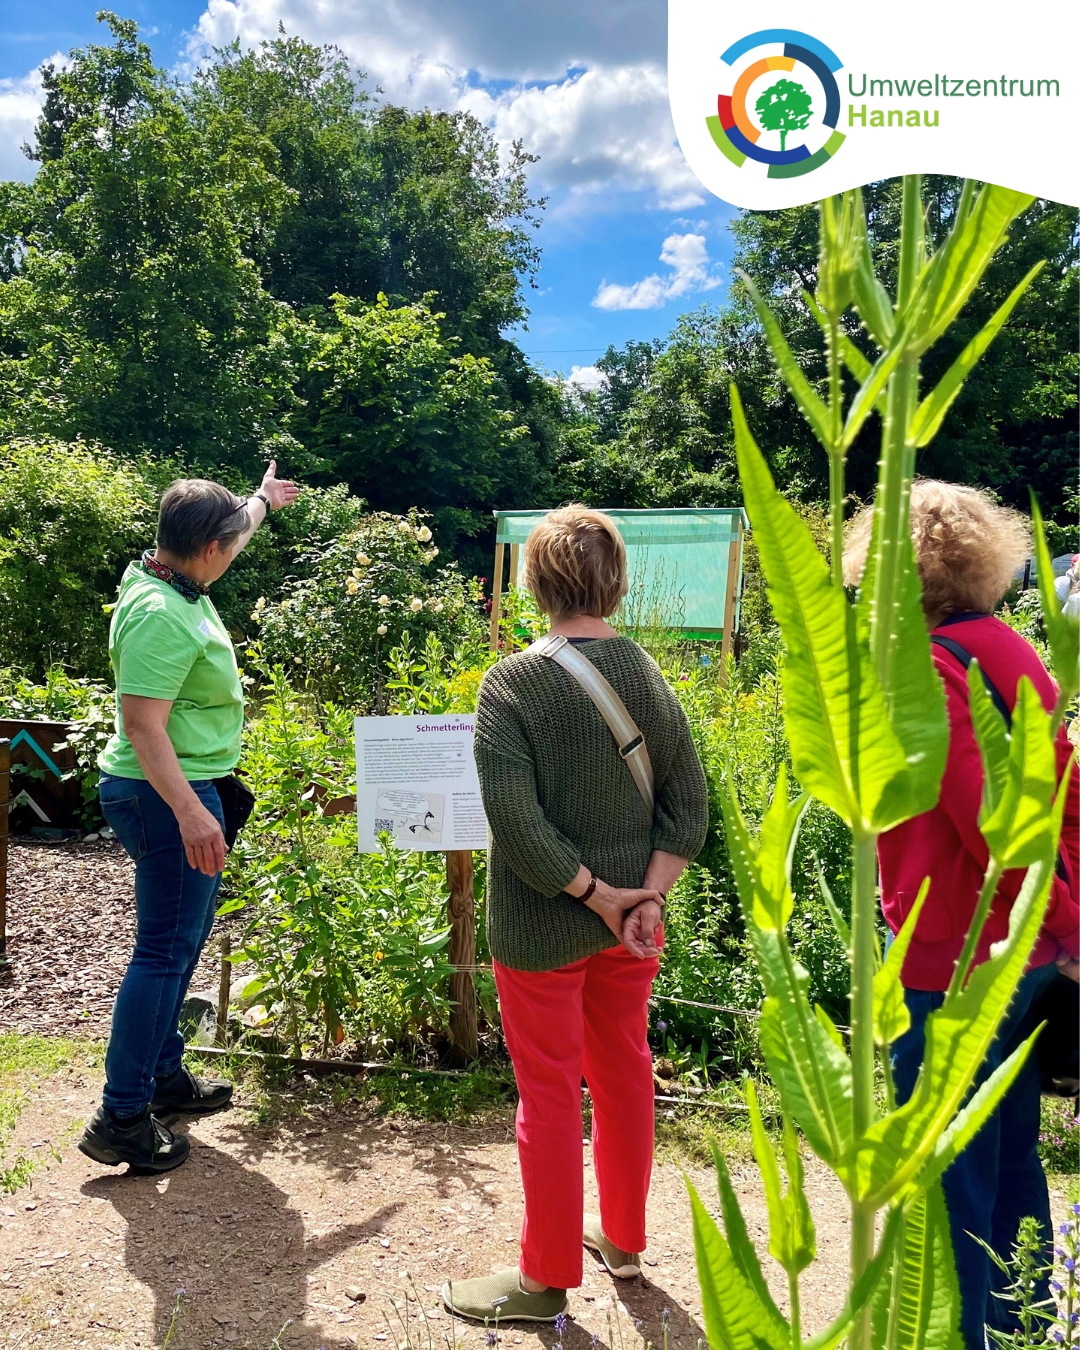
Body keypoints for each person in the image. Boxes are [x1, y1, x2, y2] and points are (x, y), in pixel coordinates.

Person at [442, 506, 708, 1322]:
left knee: (550, 1095)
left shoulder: (513, 682)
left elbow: (518, 828)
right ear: (617, 583)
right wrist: (644, 897)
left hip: (543, 926)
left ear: (535, 582)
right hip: (634, 929)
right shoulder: (649, 675)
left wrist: (596, 894)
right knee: (626, 1073)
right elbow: (689, 808)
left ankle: (544, 1280)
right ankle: (623, 1243)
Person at [843, 480, 1079, 1348]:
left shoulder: (931, 667)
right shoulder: (1013, 650)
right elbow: (1064, 797)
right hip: (1023, 952)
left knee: (945, 1168)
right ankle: (1023, 1331)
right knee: (1012, 1155)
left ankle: (958, 1337)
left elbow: (992, 823)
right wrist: (1065, 929)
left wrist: (1061, 923)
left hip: (953, 956)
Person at [78, 464, 299, 1175]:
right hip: (163, 792)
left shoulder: (175, 576)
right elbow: (143, 727)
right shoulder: (160, 614)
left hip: (188, 788)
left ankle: (162, 1077)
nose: (235, 550)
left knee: (184, 939)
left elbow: (238, 528)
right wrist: (190, 814)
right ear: (208, 548)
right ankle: (120, 1115)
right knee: (163, 950)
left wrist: (262, 499)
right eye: (230, 541)